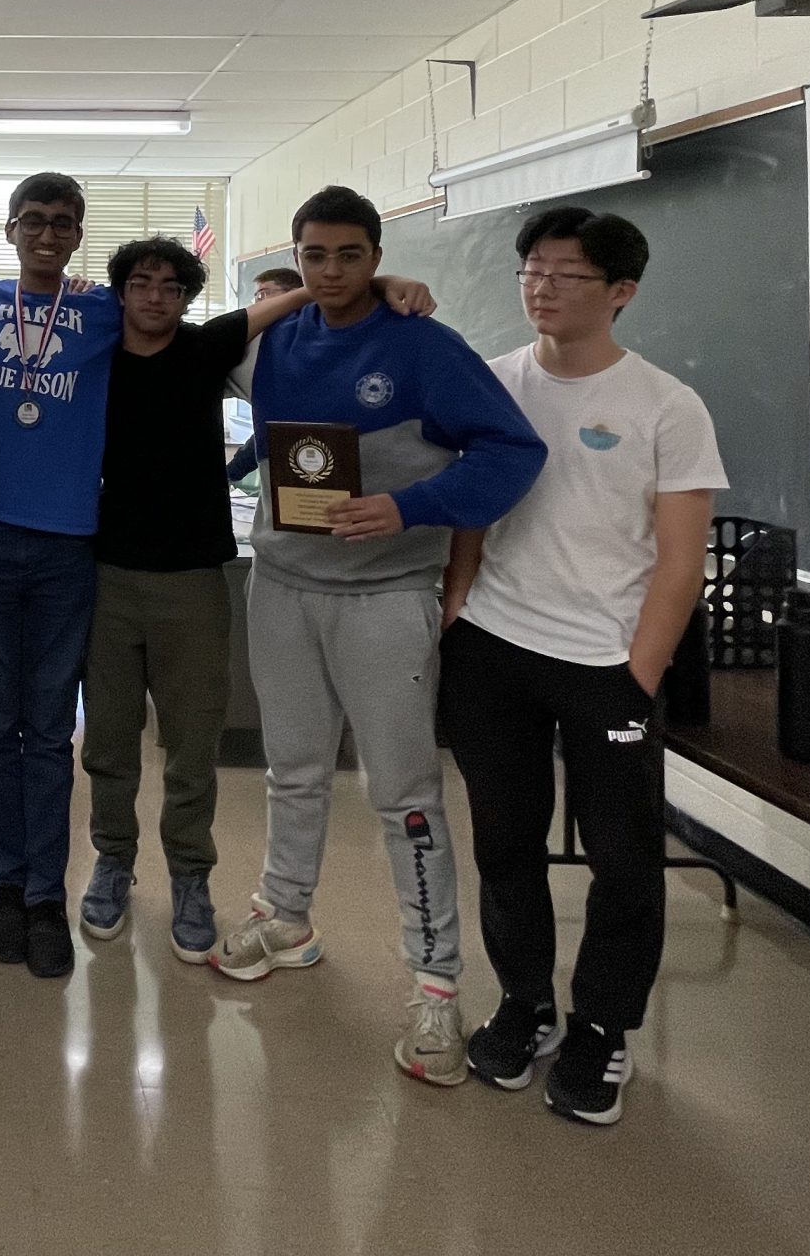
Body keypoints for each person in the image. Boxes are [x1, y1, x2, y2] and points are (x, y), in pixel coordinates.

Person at [222, 185, 546, 1093]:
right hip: (283, 588)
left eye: (350, 256)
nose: (331, 273)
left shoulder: (424, 348)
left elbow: (511, 451)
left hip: (384, 597)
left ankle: (435, 981)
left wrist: (409, 506)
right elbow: (195, 341)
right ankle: (286, 916)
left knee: (403, 793)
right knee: (293, 771)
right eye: (312, 257)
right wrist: (297, 295)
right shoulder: (274, 343)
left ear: (377, 255)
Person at [439, 206, 724, 1127]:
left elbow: (682, 559)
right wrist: (458, 603)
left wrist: (640, 671)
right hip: (495, 650)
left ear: (621, 293)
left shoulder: (665, 406)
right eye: (531, 270)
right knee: (505, 844)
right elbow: (474, 504)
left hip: (606, 663)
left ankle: (603, 1026)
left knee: (623, 857)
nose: (540, 287)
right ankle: (526, 1002)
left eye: (565, 275)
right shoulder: (494, 382)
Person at [79, 237, 318, 964]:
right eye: (142, 284)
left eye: (170, 286)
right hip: (106, 575)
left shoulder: (205, 348)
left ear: (185, 297)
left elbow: (280, 302)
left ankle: (190, 876)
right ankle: (113, 861)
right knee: (111, 742)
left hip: (192, 579)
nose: (155, 297)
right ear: (121, 292)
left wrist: (383, 281)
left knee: (191, 745)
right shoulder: (92, 357)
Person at [0, 173, 122, 979]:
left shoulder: (104, 314)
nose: (49, 234)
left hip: (65, 548)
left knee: (48, 727)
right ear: (11, 229)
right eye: (35, 222)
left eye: (65, 223)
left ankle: (47, 892)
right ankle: (4, 883)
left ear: (80, 236)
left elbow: (214, 334)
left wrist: (381, 286)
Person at [225, 267, 304, 483]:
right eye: (256, 296)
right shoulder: (253, 346)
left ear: (295, 294)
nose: (257, 304)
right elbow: (270, 425)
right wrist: (231, 473)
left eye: (264, 294)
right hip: (281, 467)